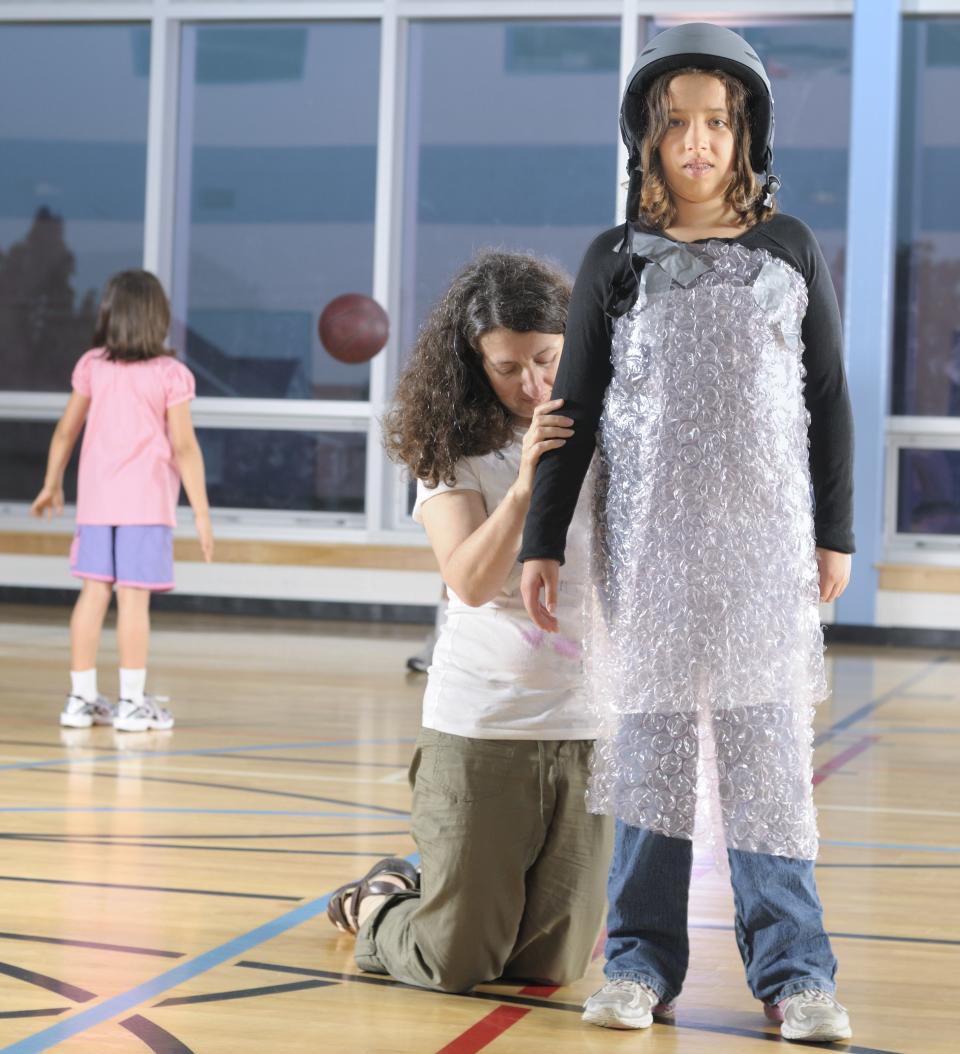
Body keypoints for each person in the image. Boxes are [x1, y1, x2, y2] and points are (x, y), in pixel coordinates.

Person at [518, 23, 854, 1044]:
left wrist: (832, 533)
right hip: (652, 556)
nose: (699, 143)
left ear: (745, 135)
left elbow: (828, 397)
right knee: (653, 761)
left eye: (718, 123)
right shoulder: (614, 260)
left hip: (763, 555)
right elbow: (570, 410)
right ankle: (637, 960)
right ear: (648, 142)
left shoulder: (789, 249)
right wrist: (540, 537)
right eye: (678, 127)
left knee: (765, 769)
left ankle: (797, 973)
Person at [324, 251, 612, 993]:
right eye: (507, 368)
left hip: (587, 725)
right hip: (485, 726)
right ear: (473, 364)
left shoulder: (613, 425)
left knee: (550, 965)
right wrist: (524, 490)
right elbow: (472, 581)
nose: (533, 385)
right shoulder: (455, 449)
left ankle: (440, 892)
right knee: (457, 962)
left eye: (547, 360)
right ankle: (382, 901)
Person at [32, 269, 213, 732]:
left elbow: (65, 431)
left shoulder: (92, 365)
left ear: (108, 314)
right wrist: (202, 514)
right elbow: (185, 447)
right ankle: (132, 703)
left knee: (92, 594)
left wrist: (52, 482)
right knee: (133, 601)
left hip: (97, 505)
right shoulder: (171, 374)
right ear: (160, 318)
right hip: (146, 506)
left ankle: (81, 697)